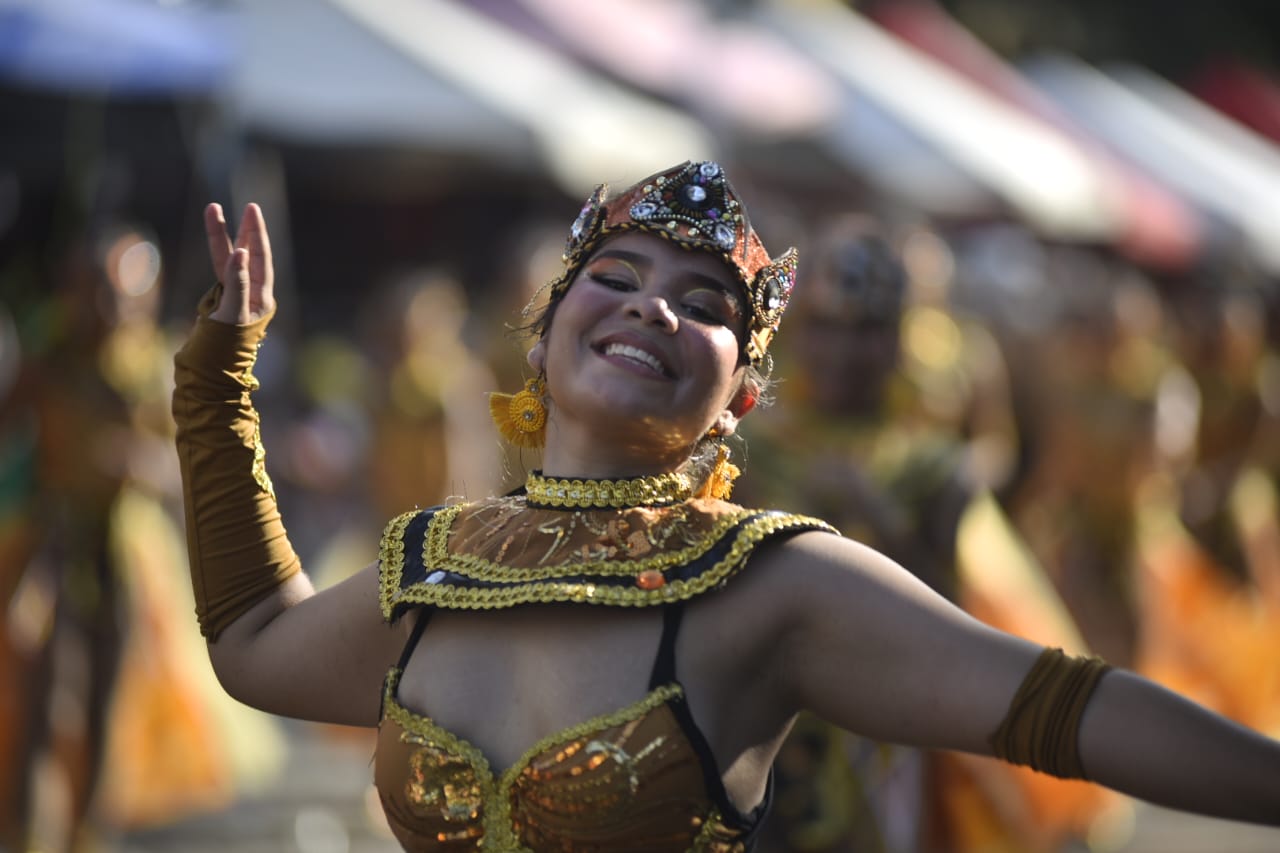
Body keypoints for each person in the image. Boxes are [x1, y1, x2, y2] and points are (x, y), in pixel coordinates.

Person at [173, 161, 1280, 852]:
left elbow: (1064, 709)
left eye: (702, 304)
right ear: (545, 331)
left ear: (735, 400)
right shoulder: (437, 562)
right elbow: (255, 645)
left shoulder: (769, 579)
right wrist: (216, 384)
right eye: (615, 277)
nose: (652, 306)